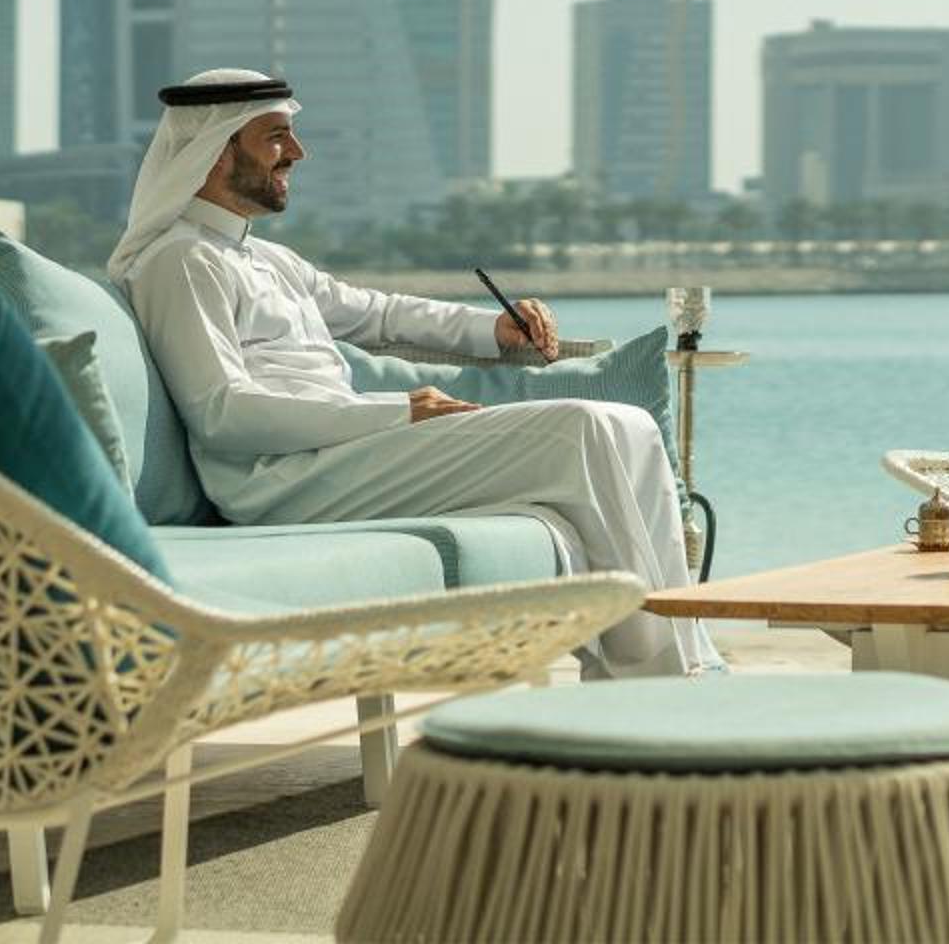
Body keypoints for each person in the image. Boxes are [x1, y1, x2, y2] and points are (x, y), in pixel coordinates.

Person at [113, 69, 723, 679]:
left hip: (343, 457)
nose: (297, 152)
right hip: (281, 482)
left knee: (631, 425)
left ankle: (684, 661)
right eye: (276, 137)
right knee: (585, 428)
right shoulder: (182, 260)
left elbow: (378, 314)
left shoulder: (264, 258)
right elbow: (222, 414)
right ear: (216, 151)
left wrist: (493, 329)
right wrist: (398, 410)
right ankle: (654, 679)